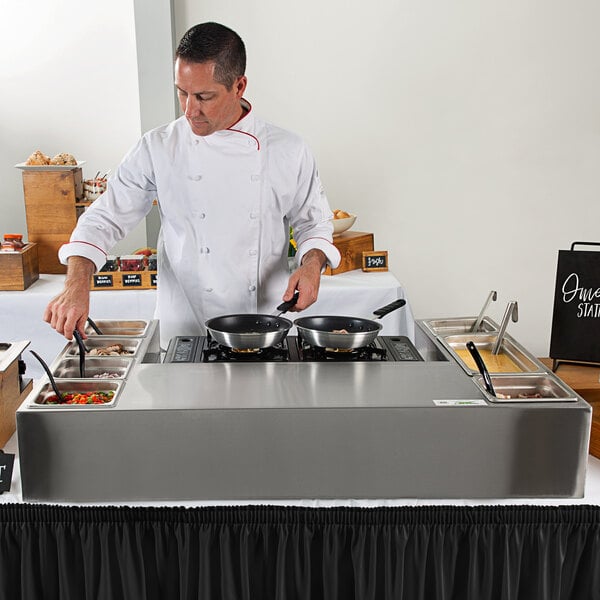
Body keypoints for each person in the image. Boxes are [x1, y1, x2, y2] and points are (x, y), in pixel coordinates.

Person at [44, 22, 340, 344]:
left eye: (203, 96)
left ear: (239, 86)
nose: (189, 110)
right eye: (181, 93)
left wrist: (311, 266)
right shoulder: (158, 146)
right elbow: (105, 217)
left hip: (266, 324)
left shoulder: (288, 149)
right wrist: (76, 285)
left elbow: (314, 223)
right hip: (182, 328)